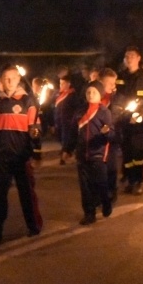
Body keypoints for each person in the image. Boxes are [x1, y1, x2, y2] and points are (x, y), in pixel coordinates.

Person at [0, 64, 43, 247]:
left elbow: (35, 128)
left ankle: (34, 226)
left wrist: (36, 147)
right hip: (1, 157)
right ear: (1, 80)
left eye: (12, 78)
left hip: (21, 156)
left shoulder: (27, 101)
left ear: (18, 79)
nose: (9, 81)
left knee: (27, 194)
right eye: (6, 78)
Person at [116, 46, 143, 195]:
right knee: (126, 151)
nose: (129, 58)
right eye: (127, 56)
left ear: (138, 58)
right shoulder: (120, 76)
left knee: (138, 151)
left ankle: (139, 181)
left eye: (132, 56)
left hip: (140, 121)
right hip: (124, 119)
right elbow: (117, 97)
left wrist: (139, 114)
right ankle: (130, 180)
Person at [73, 81, 113, 224]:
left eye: (94, 92)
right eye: (88, 92)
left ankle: (106, 202)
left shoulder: (104, 112)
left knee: (101, 182)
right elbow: (73, 131)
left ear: (100, 94)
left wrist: (106, 133)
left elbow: (112, 134)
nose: (90, 95)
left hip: (98, 153)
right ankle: (89, 213)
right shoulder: (80, 111)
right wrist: (68, 148)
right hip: (82, 154)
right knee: (85, 186)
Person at [99, 67, 125, 204]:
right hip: (97, 137)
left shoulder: (118, 98)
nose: (112, 86)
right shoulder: (94, 97)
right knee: (98, 167)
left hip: (112, 137)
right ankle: (99, 192)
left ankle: (111, 190)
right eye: (109, 83)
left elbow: (120, 115)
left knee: (111, 166)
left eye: (113, 82)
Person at [53, 74, 81, 165]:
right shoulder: (59, 94)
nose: (61, 85)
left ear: (68, 84)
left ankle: (64, 155)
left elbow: (76, 109)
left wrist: (74, 120)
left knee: (66, 139)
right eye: (60, 83)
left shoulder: (72, 95)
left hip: (68, 122)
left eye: (63, 83)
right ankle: (66, 152)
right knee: (60, 138)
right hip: (59, 121)